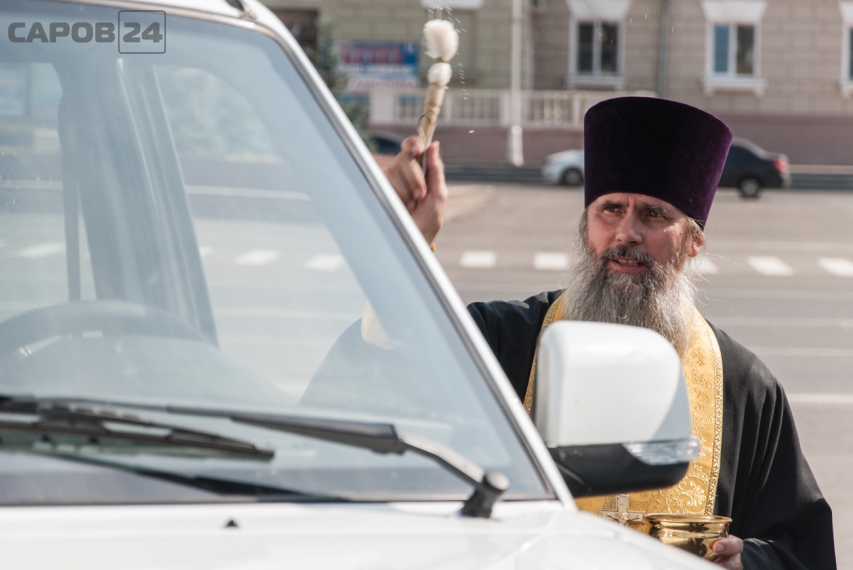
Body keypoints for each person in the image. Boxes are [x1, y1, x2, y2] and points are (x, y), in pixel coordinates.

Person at [381, 97, 835, 570]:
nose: (626, 233)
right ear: (586, 228)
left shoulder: (744, 386)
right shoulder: (503, 340)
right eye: (611, 209)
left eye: (654, 215)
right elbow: (396, 360)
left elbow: (801, 549)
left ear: (694, 242)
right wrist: (403, 239)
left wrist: (750, 562)